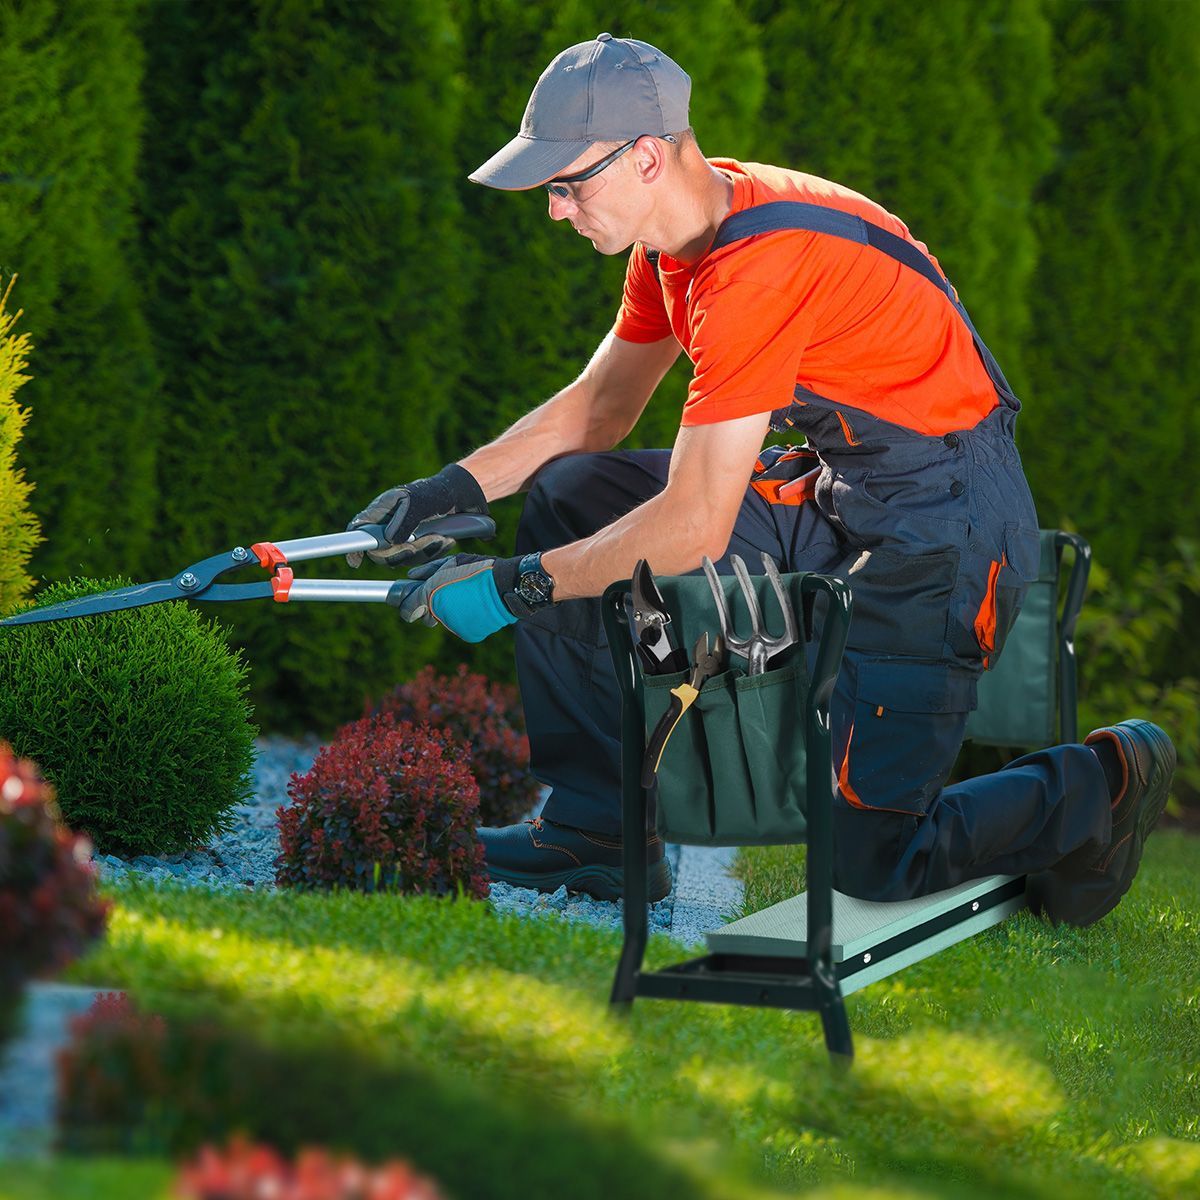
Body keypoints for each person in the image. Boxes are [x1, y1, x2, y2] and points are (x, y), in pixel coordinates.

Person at [346, 34, 1175, 927]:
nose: (555, 210)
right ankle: (599, 830)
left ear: (649, 157)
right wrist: (447, 492)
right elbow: (599, 410)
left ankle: (1106, 778)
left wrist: (521, 585)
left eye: (567, 184)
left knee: (876, 859)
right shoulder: (677, 247)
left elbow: (696, 524)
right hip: (840, 493)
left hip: (948, 530)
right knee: (577, 492)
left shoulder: (755, 270)